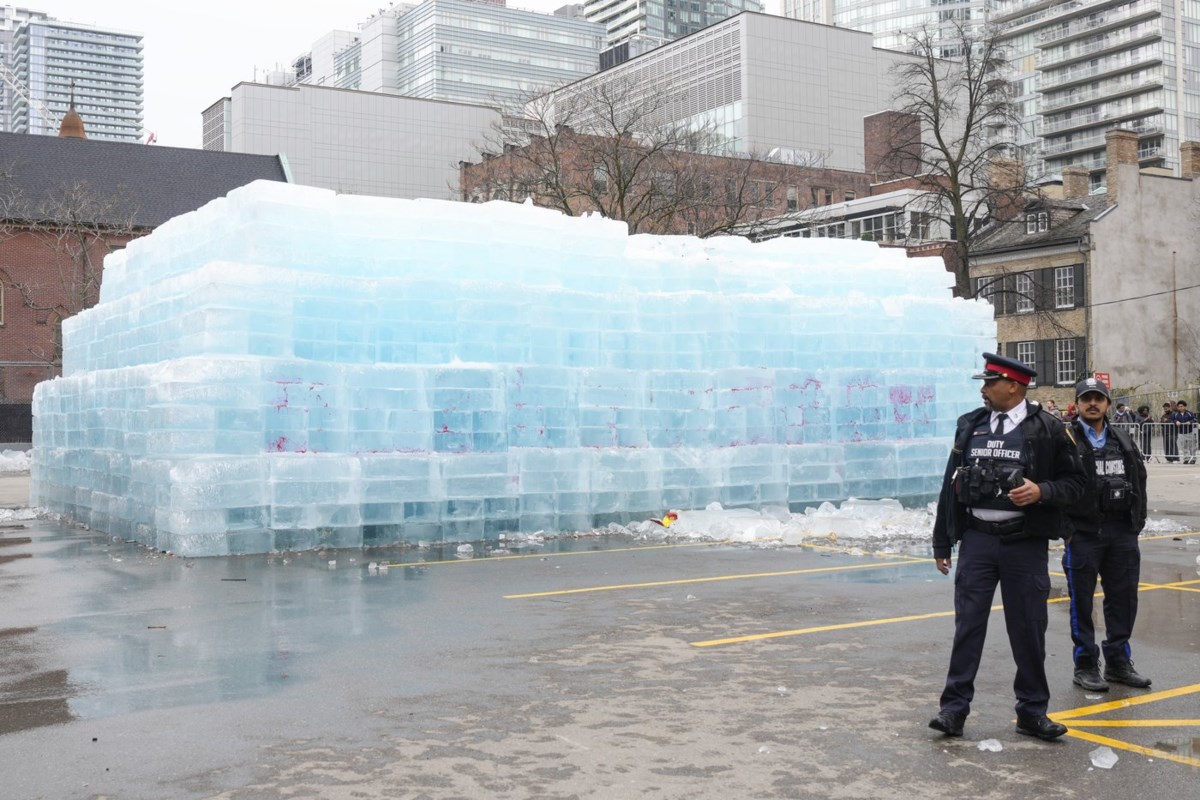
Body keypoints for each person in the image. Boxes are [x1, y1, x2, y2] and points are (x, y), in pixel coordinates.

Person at [929, 353, 1086, 742]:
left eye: (989, 382)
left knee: (1028, 629)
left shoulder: (1047, 429)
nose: (983, 389)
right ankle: (953, 711)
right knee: (968, 627)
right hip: (978, 541)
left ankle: (1032, 712)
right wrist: (941, 539)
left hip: (1023, 544)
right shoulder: (971, 425)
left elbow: (1078, 484)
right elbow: (951, 483)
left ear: (1013, 385)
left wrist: (1041, 491)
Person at [1063, 378, 1151, 692]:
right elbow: (1055, 486)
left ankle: (1118, 662)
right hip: (1083, 534)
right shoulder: (1066, 440)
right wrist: (1067, 530)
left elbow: (1139, 481)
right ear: (1077, 403)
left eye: (1098, 398)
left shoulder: (1122, 439)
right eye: (1086, 398)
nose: (1092, 403)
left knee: (1124, 600)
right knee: (1081, 604)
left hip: (1121, 533)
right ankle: (1085, 664)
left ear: (1108, 404)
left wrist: (1135, 525)